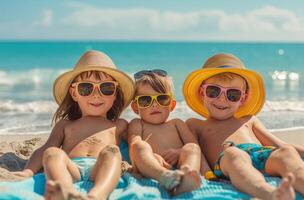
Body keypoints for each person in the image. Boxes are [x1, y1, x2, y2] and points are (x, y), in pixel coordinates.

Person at [12, 50, 135, 200]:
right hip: (71, 168)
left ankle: (97, 195)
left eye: (106, 88)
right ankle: (66, 190)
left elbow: (136, 144)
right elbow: (44, 149)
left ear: (115, 93)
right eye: (86, 88)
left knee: (113, 152)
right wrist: (28, 172)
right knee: (52, 152)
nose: (96, 95)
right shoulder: (65, 125)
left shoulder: (119, 125)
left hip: (99, 168)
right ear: (74, 93)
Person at [183, 53, 304, 199]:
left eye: (232, 95)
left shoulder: (249, 120)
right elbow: (194, 152)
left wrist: (294, 151)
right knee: (234, 154)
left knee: (286, 153)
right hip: (227, 160)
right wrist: (206, 173)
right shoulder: (195, 125)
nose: (222, 99)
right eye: (213, 91)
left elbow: (279, 145)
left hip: (260, 154)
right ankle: (269, 193)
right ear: (202, 92)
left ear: (243, 99)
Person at [128, 69, 206, 196]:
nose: (154, 105)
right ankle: (163, 175)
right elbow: (134, 145)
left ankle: (187, 175)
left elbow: (194, 146)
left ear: (172, 105)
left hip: (179, 166)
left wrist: (179, 152)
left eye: (162, 99)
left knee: (191, 148)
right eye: (145, 100)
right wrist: (151, 156)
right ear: (136, 107)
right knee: (139, 146)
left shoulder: (177, 123)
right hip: (153, 168)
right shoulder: (137, 124)